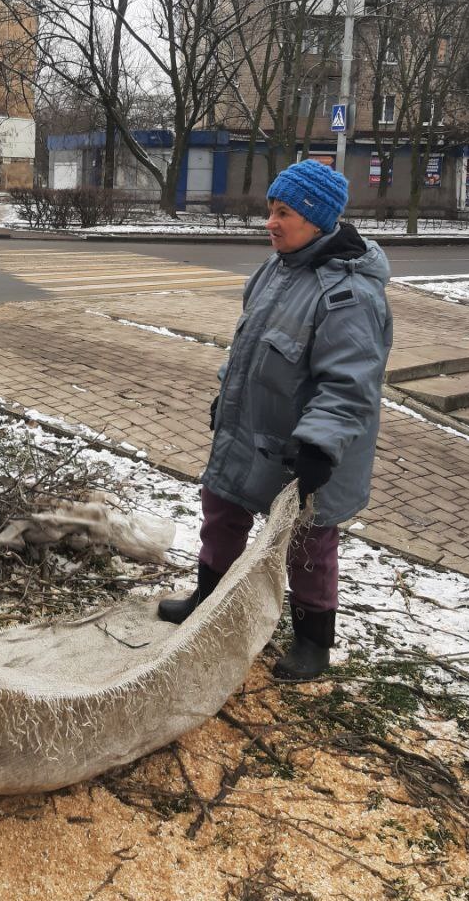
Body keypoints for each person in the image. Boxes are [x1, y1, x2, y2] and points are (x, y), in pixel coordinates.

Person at [158, 159, 392, 682]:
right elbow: (247, 350)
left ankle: (312, 642)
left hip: (308, 454)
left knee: (308, 546)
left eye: (283, 212)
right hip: (249, 433)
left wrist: (318, 447)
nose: (270, 221)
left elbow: (350, 385)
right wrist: (227, 397)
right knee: (221, 513)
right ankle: (207, 598)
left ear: (316, 219)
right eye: (270, 209)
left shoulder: (348, 294)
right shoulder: (275, 269)